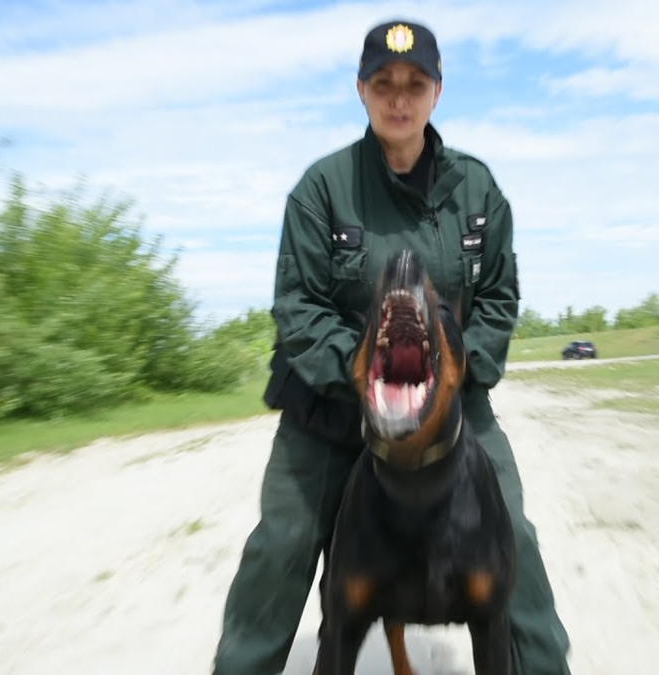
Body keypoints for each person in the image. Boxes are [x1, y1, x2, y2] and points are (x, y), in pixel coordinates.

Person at [211, 18, 572, 675]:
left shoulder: (478, 190)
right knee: (284, 546)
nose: (399, 98)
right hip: (332, 407)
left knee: (513, 536)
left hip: (444, 402)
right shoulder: (322, 189)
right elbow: (298, 307)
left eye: (415, 83)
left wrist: (450, 376)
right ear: (361, 90)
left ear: (438, 92)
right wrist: (372, 372)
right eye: (384, 83)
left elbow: (497, 298)